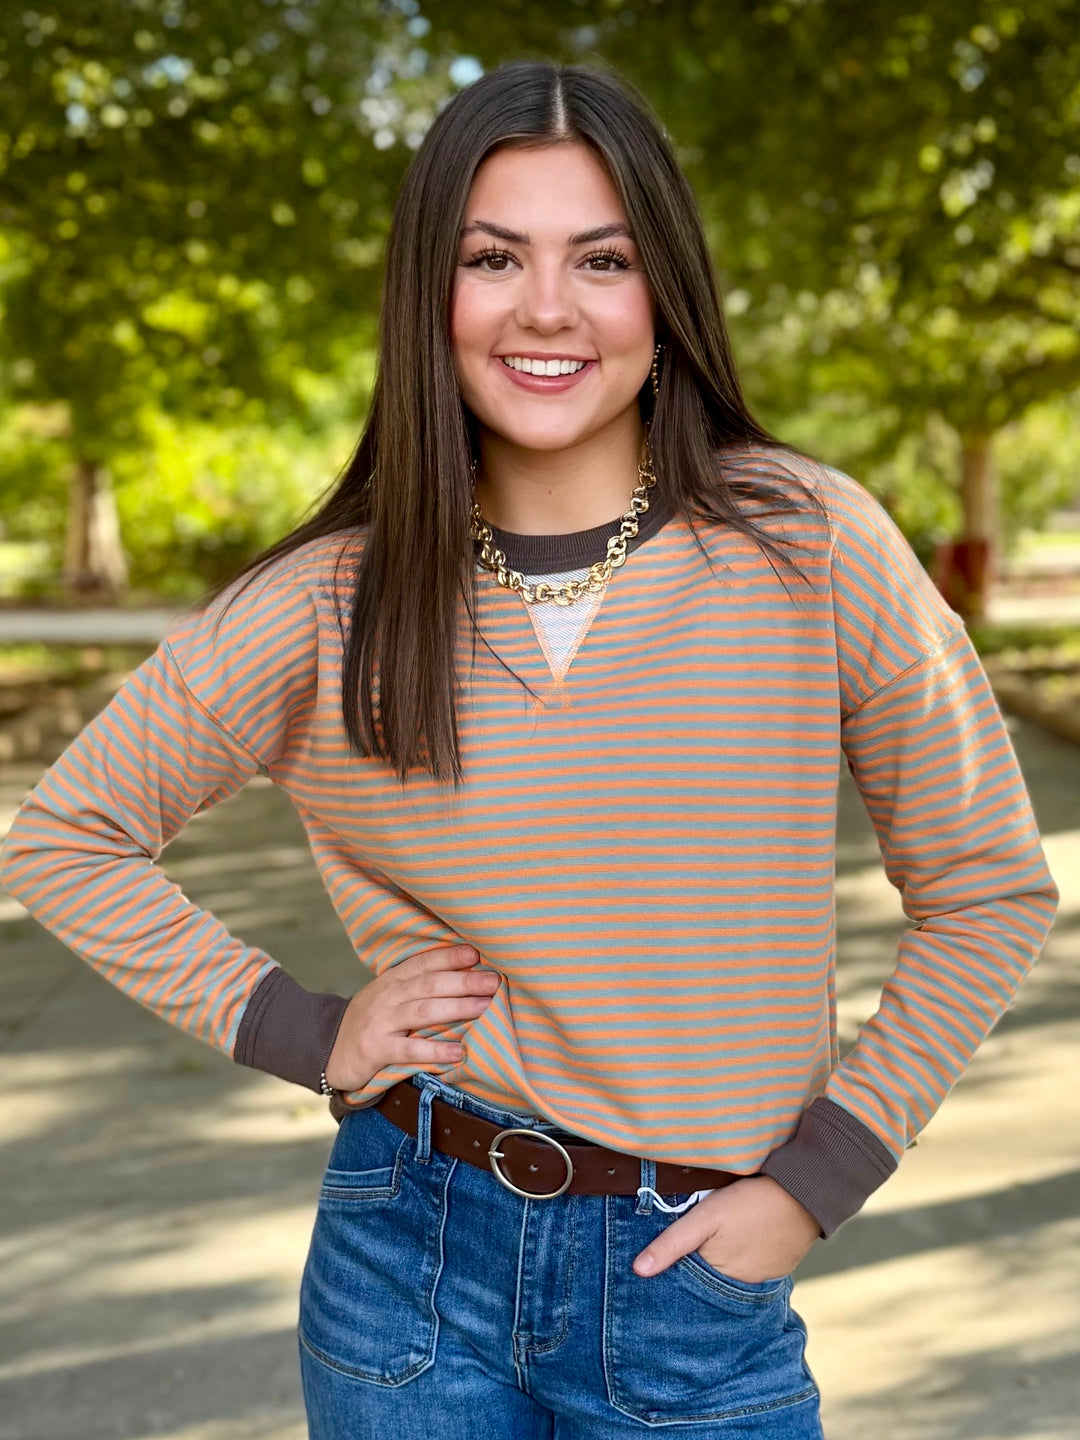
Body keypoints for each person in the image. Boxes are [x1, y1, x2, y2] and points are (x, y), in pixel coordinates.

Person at [0, 61, 1058, 1440]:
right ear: (427, 297)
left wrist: (821, 1177)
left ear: (662, 294)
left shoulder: (810, 544)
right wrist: (309, 1029)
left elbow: (988, 888)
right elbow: (67, 835)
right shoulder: (329, 597)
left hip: (698, 1292)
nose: (546, 307)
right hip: (406, 1273)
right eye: (493, 256)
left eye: (601, 259)